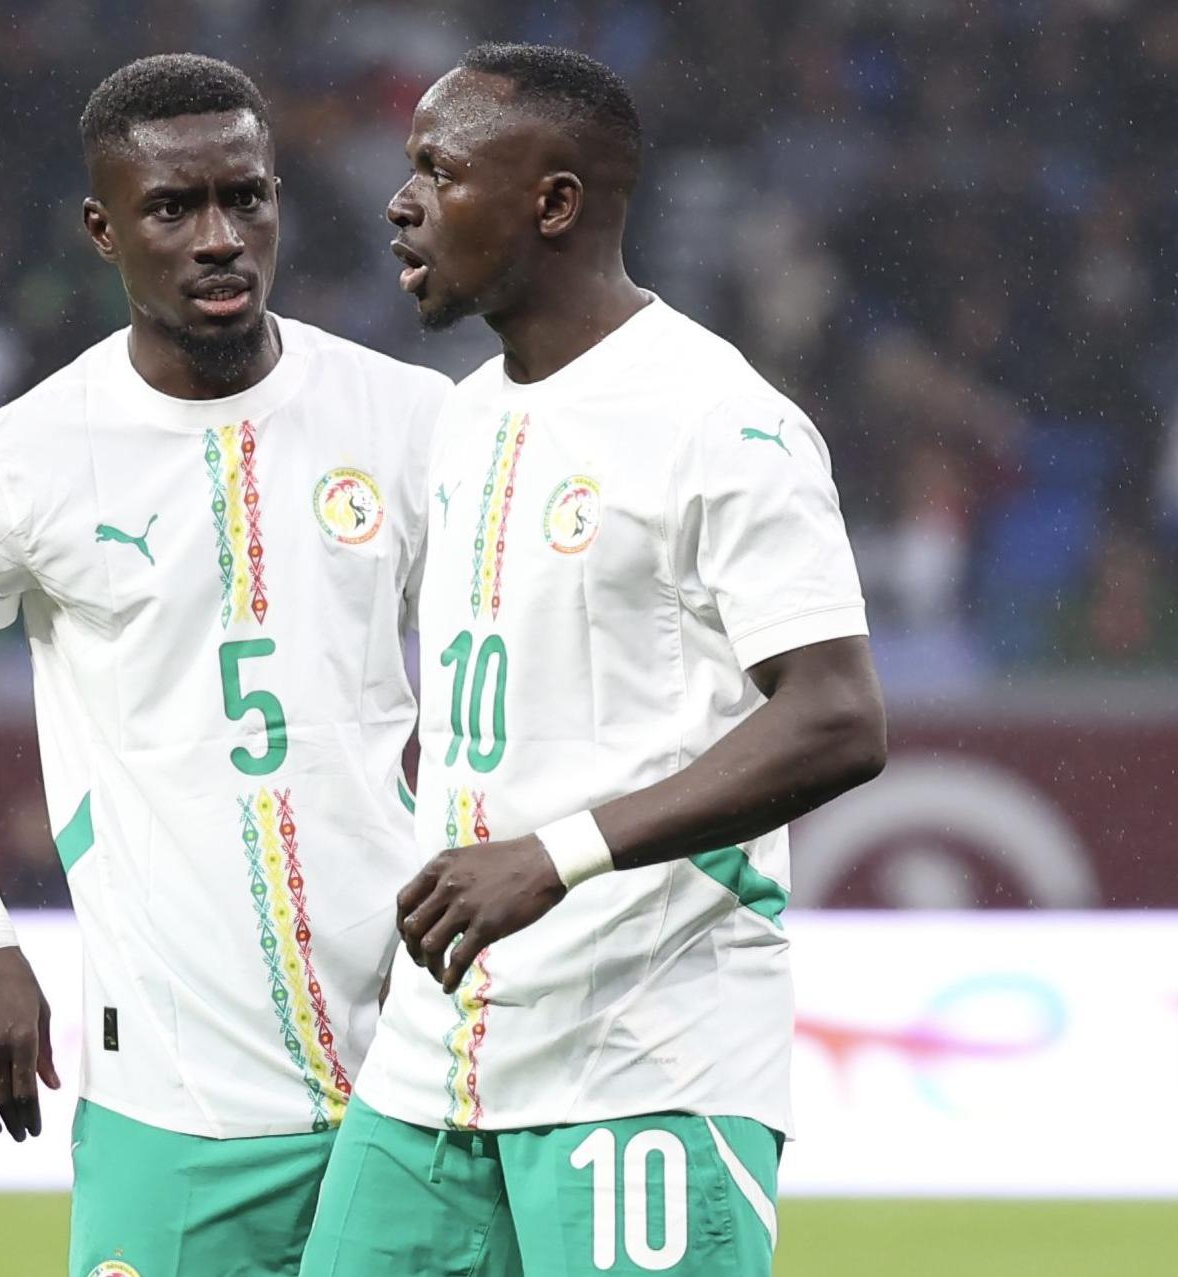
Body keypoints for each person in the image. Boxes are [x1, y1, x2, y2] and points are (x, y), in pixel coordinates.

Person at [299, 45, 888, 1277]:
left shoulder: (724, 421)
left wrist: (556, 853)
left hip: (645, 1052)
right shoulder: (462, 417)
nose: (400, 202)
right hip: (435, 1055)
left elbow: (837, 716)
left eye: (439, 171)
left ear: (553, 203)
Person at [0, 54, 450, 1277]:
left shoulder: (407, 421)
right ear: (102, 229)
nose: (219, 237)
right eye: (172, 209)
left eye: (246, 198)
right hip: (173, 1099)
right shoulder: (14, 461)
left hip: (416, 1070)